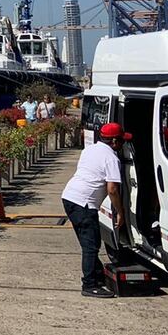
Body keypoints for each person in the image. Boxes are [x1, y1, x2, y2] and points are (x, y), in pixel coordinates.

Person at [61, 122, 128, 298]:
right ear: (114, 141)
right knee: (91, 246)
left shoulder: (90, 150)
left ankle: (97, 275)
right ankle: (89, 285)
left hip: (69, 196)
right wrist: (120, 212)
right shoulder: (112, 159)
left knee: (88, 242)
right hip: (84, 203)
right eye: (122, 141)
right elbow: (112, 189)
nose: (123, 144)